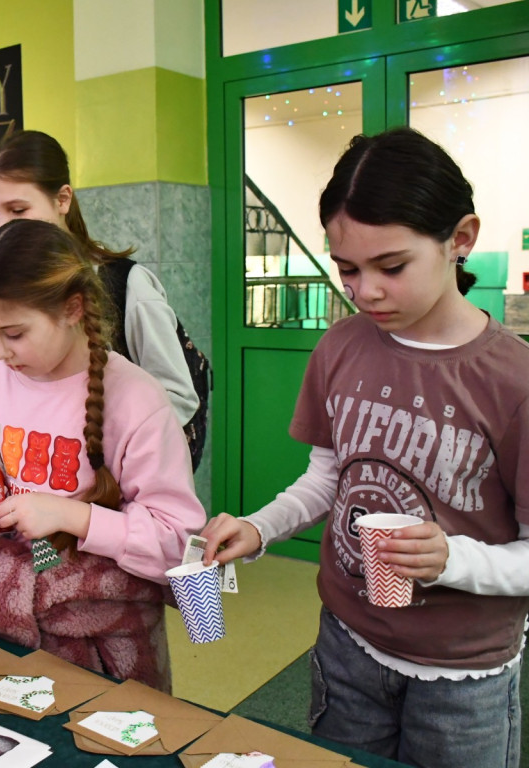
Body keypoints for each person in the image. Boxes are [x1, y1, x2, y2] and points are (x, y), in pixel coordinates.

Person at [200, 127, 527, 768]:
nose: (366, 290)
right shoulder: (342, 346)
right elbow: (328, 477)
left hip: (463, 679)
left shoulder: (513, 381)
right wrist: (258, 528)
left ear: (460, 240)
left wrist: (449, 561)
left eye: (391, 266)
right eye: (347, 268)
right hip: (347, 646)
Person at [0, 218, 206, 692]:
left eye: (14, 333)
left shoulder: (135, 398)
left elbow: (178, 538)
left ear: (72, 308)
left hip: (109, 639)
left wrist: (73, 517)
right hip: (12, 627)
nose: (0, 352)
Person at [0, 129, 200, 433]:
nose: (3, 226)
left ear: (62, 199)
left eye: (18, 210)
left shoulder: (126, 284)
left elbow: (179, 398)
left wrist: (98, 443)